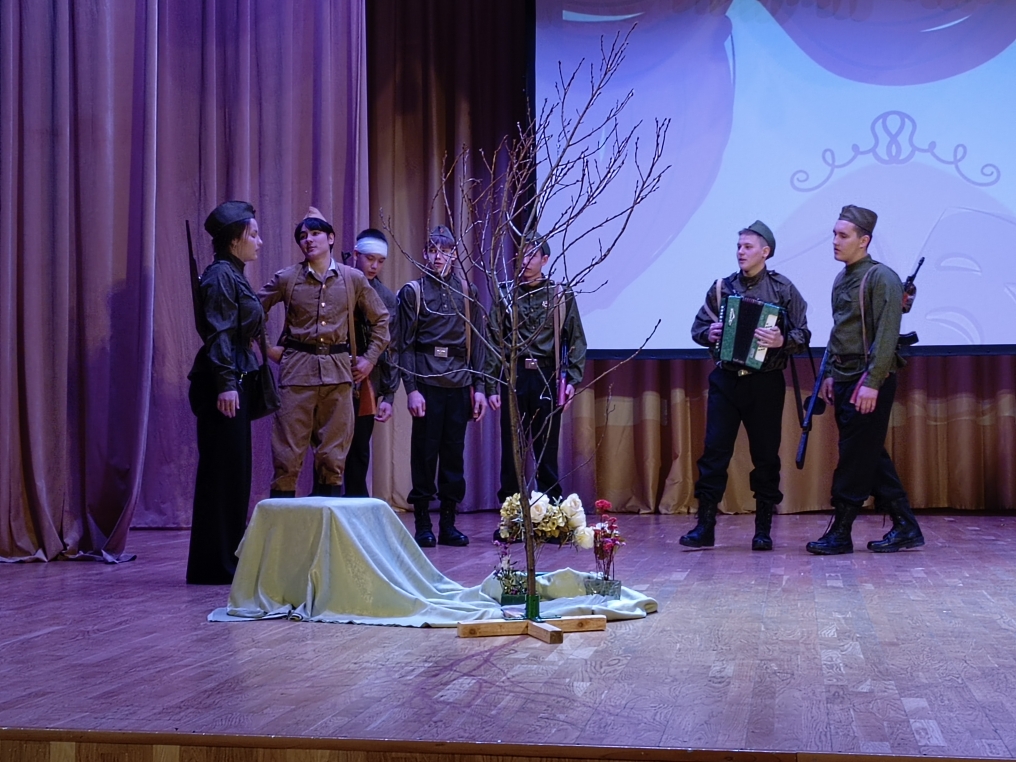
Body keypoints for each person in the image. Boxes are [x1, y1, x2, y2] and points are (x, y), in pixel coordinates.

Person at [681, 221, 810, 551]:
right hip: (726, 380)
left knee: (765, 456)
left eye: (748, 247)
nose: (741, 252)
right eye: (739, 246)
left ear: (765, 252)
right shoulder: (721, 288)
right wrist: (709, 333)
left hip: (765, 382)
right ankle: (705, 527)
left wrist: (781, 340)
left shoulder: (783, 289)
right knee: (714, 453)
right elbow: (698, 328)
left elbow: (803, 334)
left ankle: (763, 529)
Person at [806, 205, 925, 555]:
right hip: (845, 376)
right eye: (834, 234)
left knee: (855, 457)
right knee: (868, 454)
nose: (835, 241)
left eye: (843, 235)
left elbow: (887, 334)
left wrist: (872, 382)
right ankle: (906, 526)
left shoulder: (880, 277)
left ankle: (841, 532)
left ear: (864, 240)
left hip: (867, 380)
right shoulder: (842, 278)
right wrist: (830, 374)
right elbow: (840, 331)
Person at [258, 207, 390, 498]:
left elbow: (381, 319)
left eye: (315, 233)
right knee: (287, 455)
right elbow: (254, 310)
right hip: (297, 374)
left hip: (339, 375)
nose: (308, 240)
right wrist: (267, 348)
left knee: (333, 457)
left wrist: (369, 359)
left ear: (331, 238)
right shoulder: (287, 278)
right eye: (303, 236)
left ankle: (327, 520)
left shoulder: (353, 278)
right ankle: (283, 523)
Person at [186, 201, 264, 584]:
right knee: (223, 475)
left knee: (233, 474)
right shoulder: (221, 276)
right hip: (225, 382)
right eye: (253, 235)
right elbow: (219, 333)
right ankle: (215, 566)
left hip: (234, 376)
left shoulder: (233, 274)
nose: (259, 242)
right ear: (235, 240)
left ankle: (225, 561)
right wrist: (226, 385)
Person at [398, 225, 487, 547]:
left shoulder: (467, 291)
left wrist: (479, 386)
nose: (438, 257)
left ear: (454, 254)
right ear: (425, 253)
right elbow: (403, 345)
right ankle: (423, 523)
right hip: (427, 381)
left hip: (459, 381)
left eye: (445, 251)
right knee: (424, 453)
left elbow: (478, 342)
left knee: (453, 455)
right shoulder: (414, 292)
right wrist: (411, 389)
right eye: (433, 251)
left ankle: (448, 524)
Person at [486, 232, 586, 510]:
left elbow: (576, 339)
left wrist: (572, 380)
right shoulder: (506, 293)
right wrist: (491, 385)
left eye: (533, 255)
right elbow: (493, 340)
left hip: (546, 376)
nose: (526, 260)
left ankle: (550, 514)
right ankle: (511, 515)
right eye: (522, 254)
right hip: (514, 376)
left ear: (545, 260)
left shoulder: (559, 294)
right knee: (512, 450)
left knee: (547, 450)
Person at [342, 228, 400, 497]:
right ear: (356, 254)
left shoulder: (385, 297)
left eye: (380, 261)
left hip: (368, 381)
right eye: (369, 259)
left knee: (360, 447)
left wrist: (388, 394)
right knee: (327, 446)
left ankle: (356, 503)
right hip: (334, 375)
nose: (374, 266)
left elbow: (392, 347)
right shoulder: (338, 283)